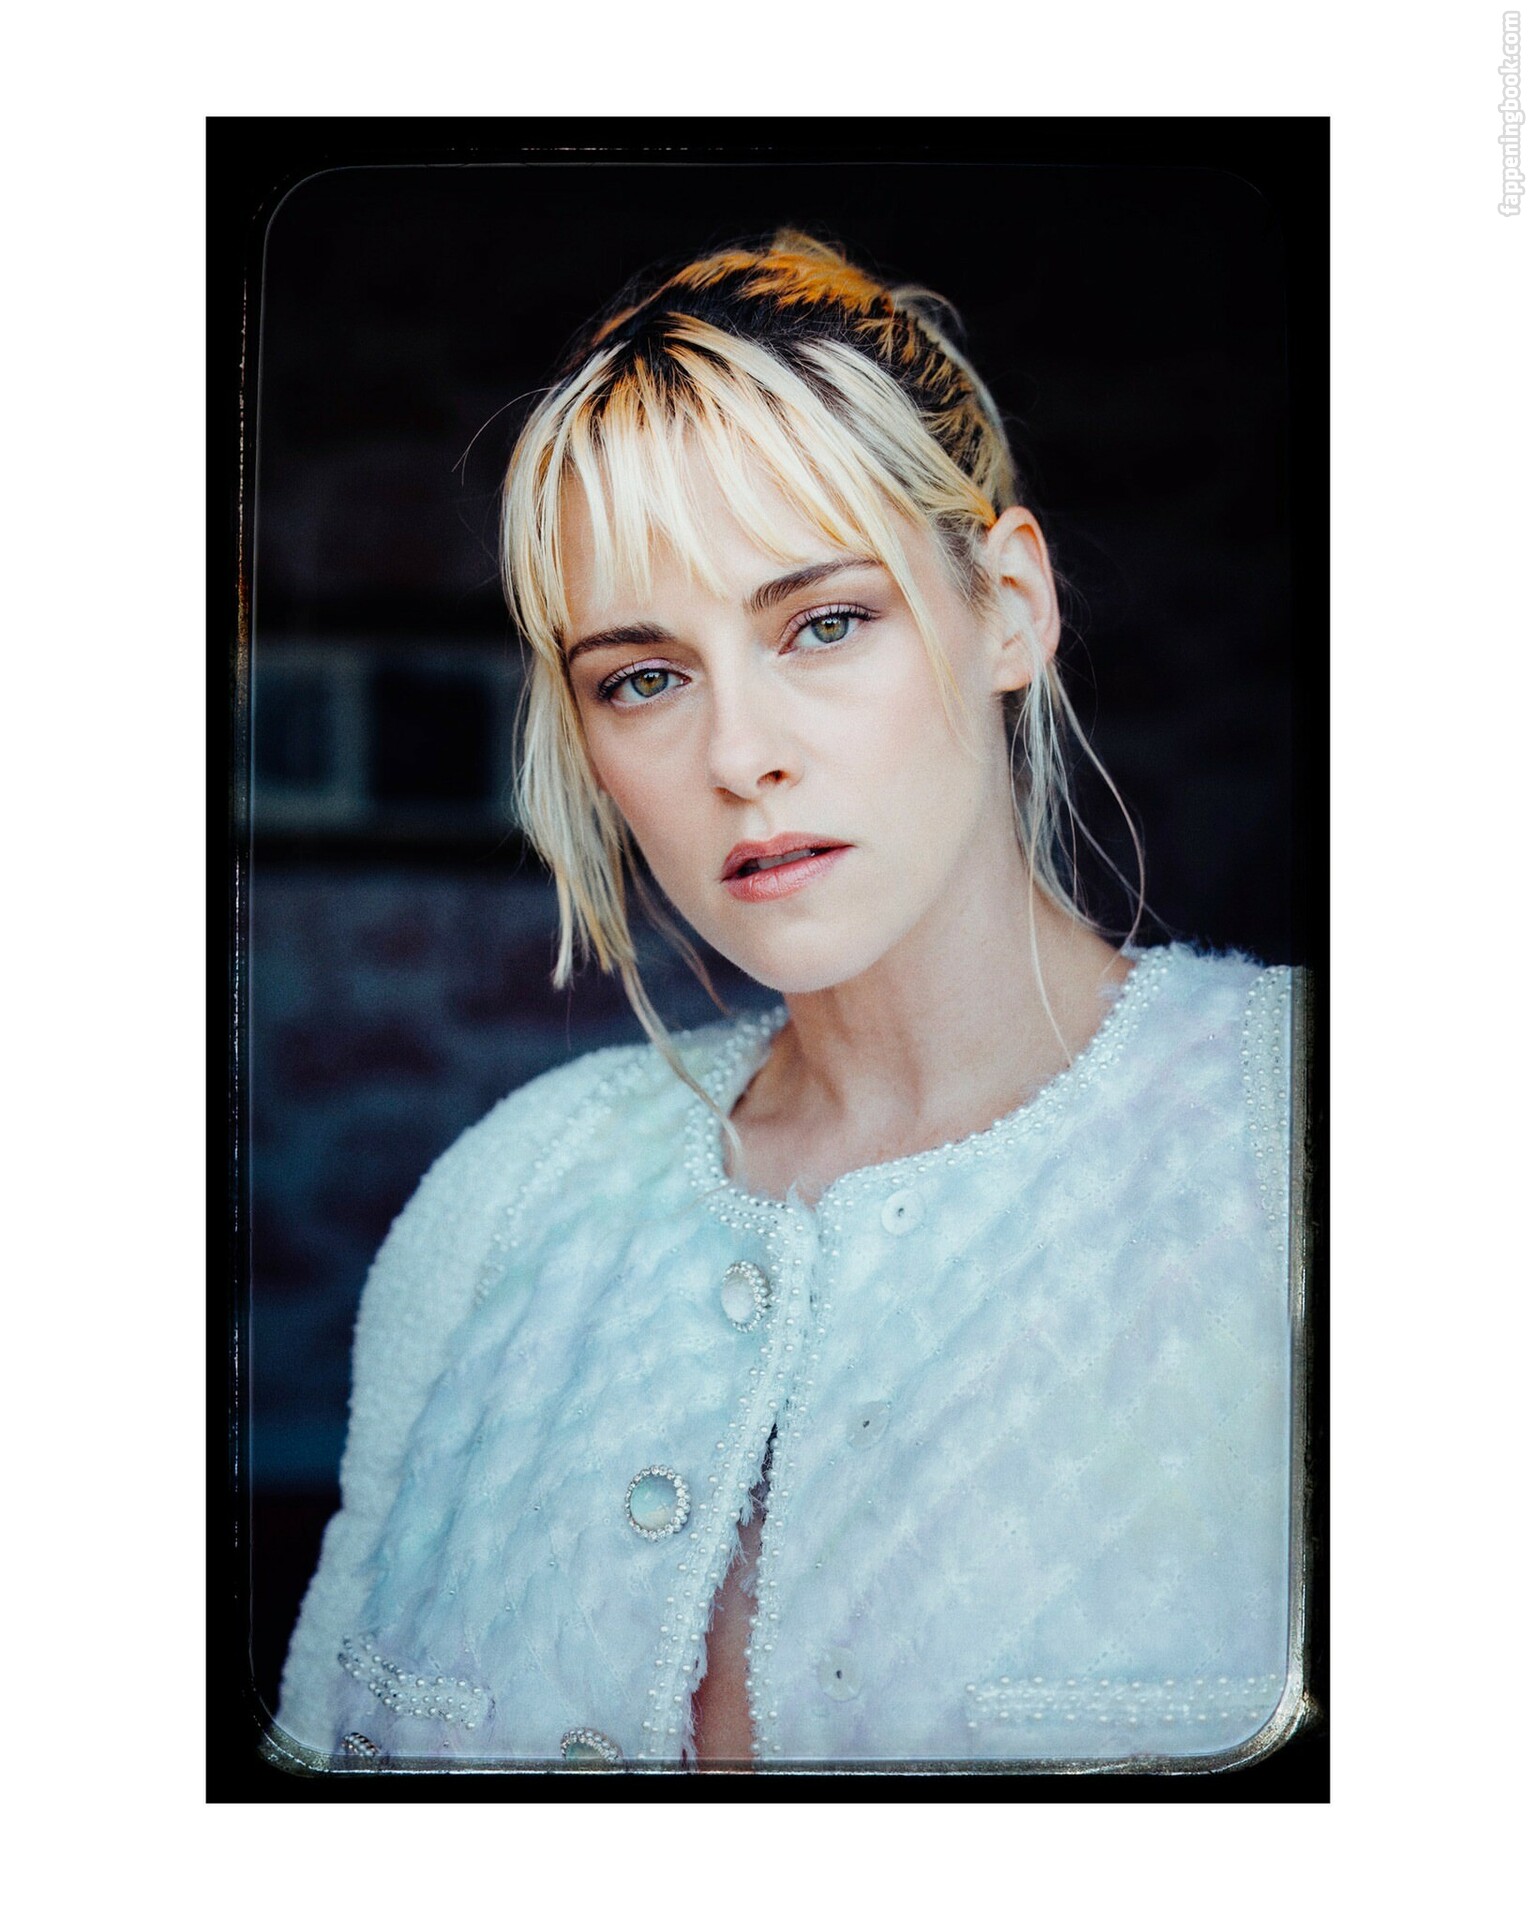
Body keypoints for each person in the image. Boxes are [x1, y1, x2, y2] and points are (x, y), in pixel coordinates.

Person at [275, 231, 1301, 1773]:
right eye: (643, 676)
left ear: (1009, 607)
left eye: (824, 623)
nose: (737, 754)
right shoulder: (506, 1198)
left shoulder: (1290, 1141)